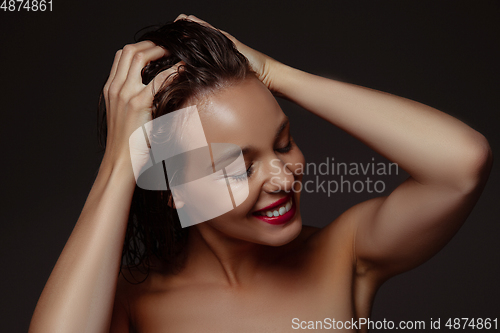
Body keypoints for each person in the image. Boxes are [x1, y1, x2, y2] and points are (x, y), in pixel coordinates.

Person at [29, 14, 492, 333]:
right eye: (238, 166)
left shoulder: (344, 253)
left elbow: (461, 164)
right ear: (173, 186)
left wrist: (276, 74)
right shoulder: (133, 302)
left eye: (284, 142)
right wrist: (120, 162)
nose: (283, 178)